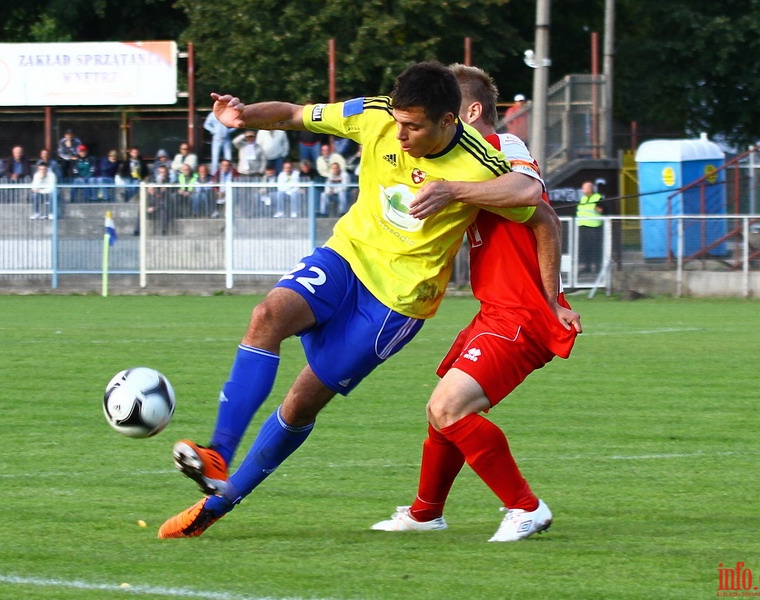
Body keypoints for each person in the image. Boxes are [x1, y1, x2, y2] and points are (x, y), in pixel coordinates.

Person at [157, 61, 542, 539]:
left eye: (414, 127)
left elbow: (529, 194)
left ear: (449, 121)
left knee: (300, 404)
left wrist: (452, 191)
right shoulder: (376, 114)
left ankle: (222, 501)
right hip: (345, 258)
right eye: (398, 122)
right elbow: (297, 115)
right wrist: (244, 115)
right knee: (267, 315)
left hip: (394, 302)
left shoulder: (477, 159)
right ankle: (218, 452)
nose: (400, 135)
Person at [370, 64, 581, 542]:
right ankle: (426, 512)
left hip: (522, 313)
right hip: (496, 310)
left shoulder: (503, 149)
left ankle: (525, 507)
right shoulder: (460, 162)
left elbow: (538, 206)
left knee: (449, 407)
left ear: (470, 111)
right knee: (439, 411)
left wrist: (553, 300)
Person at [576, 181, 604, 274]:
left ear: (590, 188)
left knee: (595, 248)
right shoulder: (583, 198)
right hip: (583, 226)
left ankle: (597, 268)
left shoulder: (598, 197)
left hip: (594, 227)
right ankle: (587, 267)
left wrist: (597, 208)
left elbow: (602, 210)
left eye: (585, 188)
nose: (583, 190)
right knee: (585, 248)